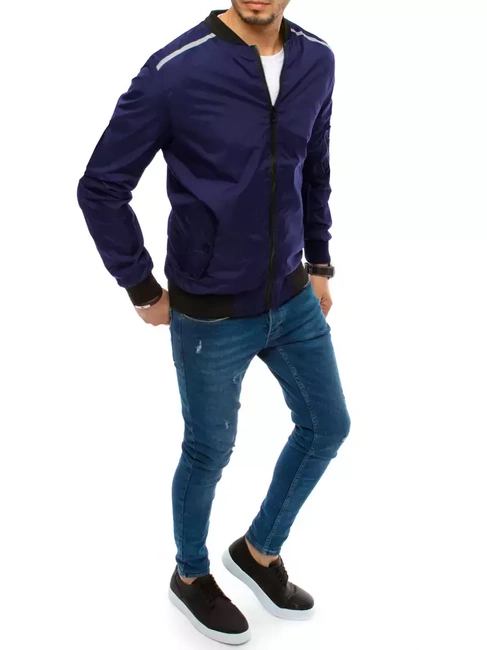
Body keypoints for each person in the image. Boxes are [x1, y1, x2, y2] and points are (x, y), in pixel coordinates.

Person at [77, 1, 351, 645]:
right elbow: (100, 186)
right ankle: (191, 574)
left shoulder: (317, 60)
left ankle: (258, 551)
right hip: (210, 309)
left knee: (328, 425)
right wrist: (142, 287)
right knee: (209, 451)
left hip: (291, 297)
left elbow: (314, 166)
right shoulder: (175, 71)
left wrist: (318, 261)